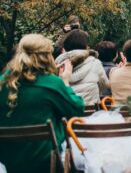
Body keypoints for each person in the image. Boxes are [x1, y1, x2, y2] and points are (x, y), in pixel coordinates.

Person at [0, 34, 84, 173]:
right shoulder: (51, 83)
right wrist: (65, 81)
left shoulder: (3, 81)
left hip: (8, 163)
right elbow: (77, 110)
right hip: (46, 163)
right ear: (47, 56)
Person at [55, 29, 109, 105]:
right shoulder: (95, 63)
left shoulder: (57, 65)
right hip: (91, 113)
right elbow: (104, 85)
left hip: (65, 113)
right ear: (86, 46)